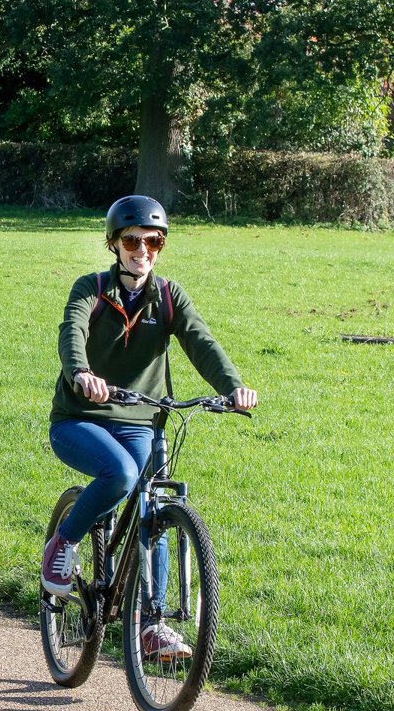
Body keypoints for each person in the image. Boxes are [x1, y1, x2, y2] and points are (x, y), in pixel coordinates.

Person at [42, 195, 257, 658]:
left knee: (155, 507)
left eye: (153, 242)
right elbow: (71, 332)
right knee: (119, 474)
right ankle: (65, 542)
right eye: (133, 240)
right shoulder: (91, 288)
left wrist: (234, 386)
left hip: (144, 418)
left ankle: (153, 623)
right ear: (114, 243)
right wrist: (81, 373)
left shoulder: (169, 296)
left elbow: (202, 342)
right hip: (82, 417)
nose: (143, 250)